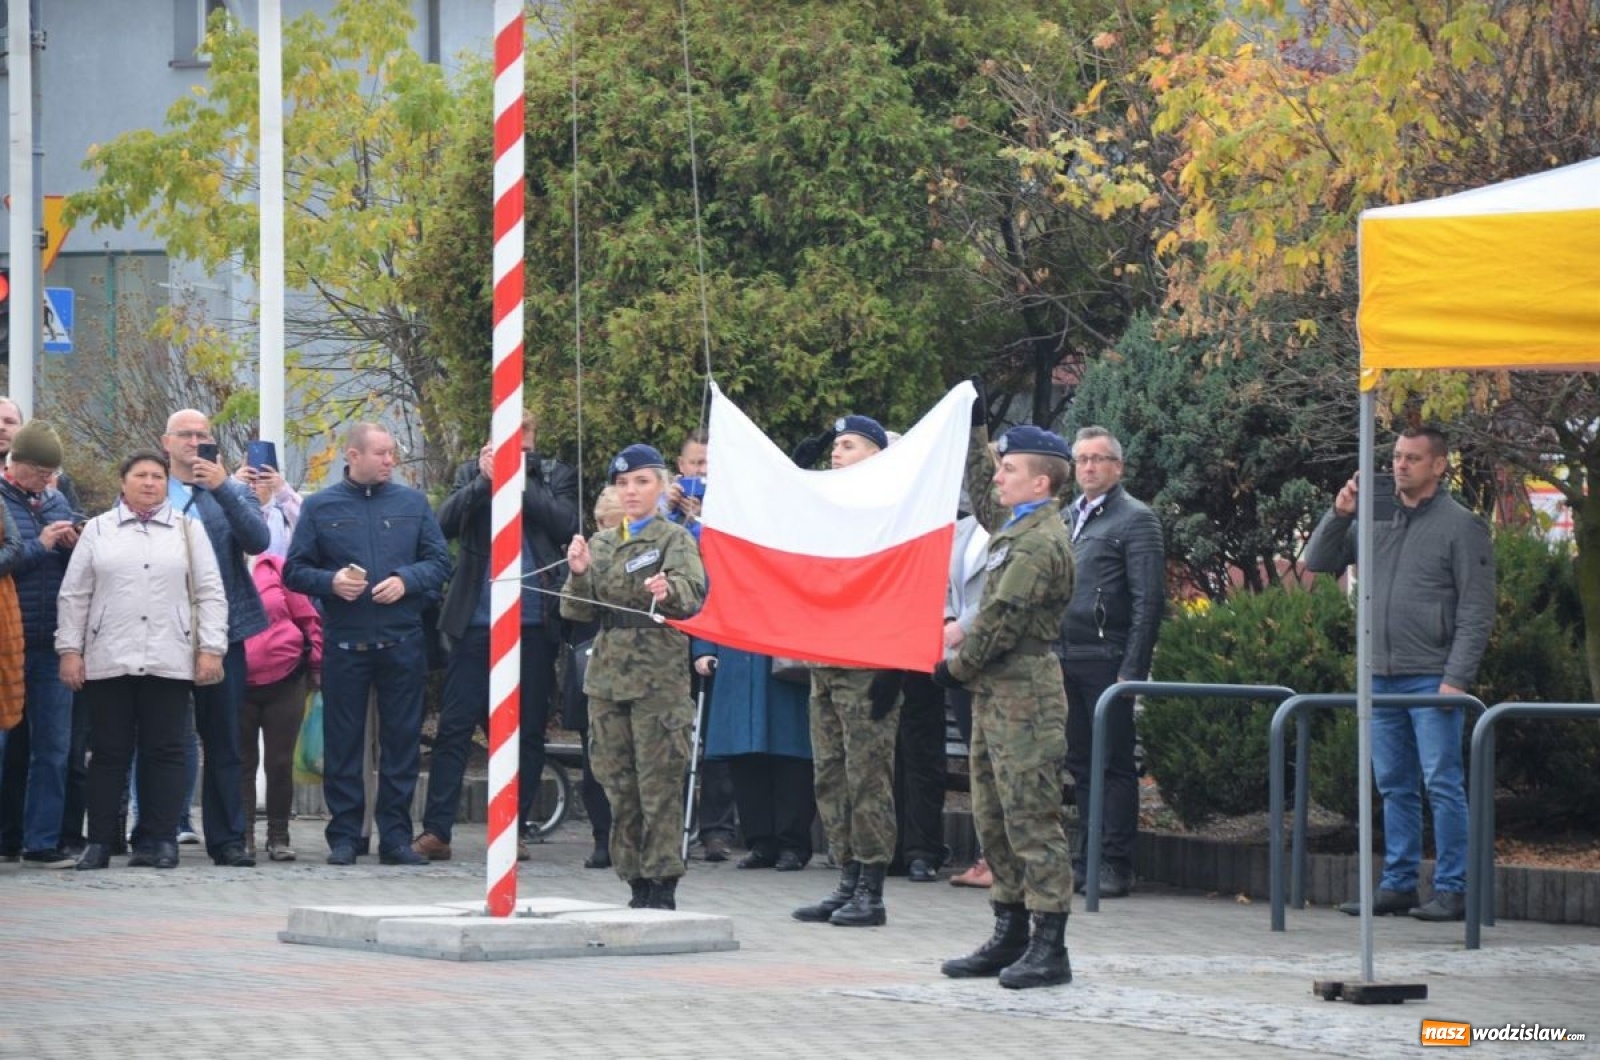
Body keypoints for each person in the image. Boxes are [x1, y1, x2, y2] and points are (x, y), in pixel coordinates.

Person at [1306, 426, 1494, 923]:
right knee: (1393, 784)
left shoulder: (1461, 525)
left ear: (1439, 466)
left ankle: (1454, 887)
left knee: (1442, 783)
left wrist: (1457, 678)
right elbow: (1318, 560)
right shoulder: (1376, 515)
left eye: (1413, 458)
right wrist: (1340, 512)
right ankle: (1398, 883)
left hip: (1432, 677)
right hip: (1380, 674)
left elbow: (1476, 609)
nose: (1400, 465)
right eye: (1395, 457)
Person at [932, 419, 1077, 990]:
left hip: (1025, 693)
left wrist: (955, 669)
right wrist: (975, 427)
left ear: (1040, 484)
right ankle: (1010, 930)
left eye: (1010, 469)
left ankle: (1049, 944)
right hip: (996, 693)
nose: (999, 476)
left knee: (1030, 818)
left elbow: (1001, 620)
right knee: (993, 816)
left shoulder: (1039, 542)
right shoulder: (1016, 528)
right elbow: (979, 479)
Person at [284, 422, 452, 866]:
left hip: (402, 641)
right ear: (353, 456)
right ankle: (345, 837)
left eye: (392, 453)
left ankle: (396, 838)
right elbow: (294, 571)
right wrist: (331, 582)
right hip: (345, 644)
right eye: (380, 453)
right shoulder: (320, 507)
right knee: (343, 744)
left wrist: (406, 580)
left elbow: (440, 562)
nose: (389, 460)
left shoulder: (413, 504)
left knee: (400, 745)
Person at [415, 410, 578, 862]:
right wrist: (486, 483)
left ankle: (514, 827)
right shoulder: (471, 472)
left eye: (524, 442)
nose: (517, 449)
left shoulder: (554, 474)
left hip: (533, 621)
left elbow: (568, 523)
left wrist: (520, 480)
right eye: (510, 443)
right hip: (476, 623)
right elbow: (441, 524)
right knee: (456, 725)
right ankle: (437, 831)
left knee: (525, 732)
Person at [59, 450, 228, 871]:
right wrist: (70, 651)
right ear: (123, 481)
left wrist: (210, 649)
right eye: (140, 475)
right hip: (108, 656)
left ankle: (160, 839)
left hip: (169, 656)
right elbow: (74, 595)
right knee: (109, 752)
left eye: (157, 476)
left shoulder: (188, 531)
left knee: (166, 751)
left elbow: (210, 593)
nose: (149, 483)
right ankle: (99, 842)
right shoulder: (98, 530)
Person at [561, 444, 706, 910]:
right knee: (617, 783)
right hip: (607, 676)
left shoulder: (674, 538)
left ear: (661, 487)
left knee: (659, 783)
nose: (631, 491)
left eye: (641, 482)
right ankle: (633, 877)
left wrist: (668, 590)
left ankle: (662, 881)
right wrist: (579, 573)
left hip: (658, 676)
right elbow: (574, 609)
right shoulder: (601, 542)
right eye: (623, 483)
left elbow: (692, 596)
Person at [791, 415, 905, 929]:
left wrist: (896, 666)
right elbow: (778, 503)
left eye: (850, 445)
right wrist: (802, 458)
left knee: (867, 779)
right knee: (830, 775)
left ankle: (872, 890)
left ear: (878, 454)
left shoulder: (892, 512)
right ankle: (845, 878)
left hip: (868, 665)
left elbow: (906, 585)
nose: (837, 454)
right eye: (834, 446)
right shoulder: (829, 508)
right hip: (825, 660)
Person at [157, 409, 271, 868]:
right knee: (165, 739)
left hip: (224, 633)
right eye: (185, 434)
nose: (195, 441)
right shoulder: (150, 488)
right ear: (166, 443)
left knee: (225, 739)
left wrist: (222, 487)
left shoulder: (232, 491)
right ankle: (160, 835)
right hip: (163, 631)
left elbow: (259, 541)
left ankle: (227, 840)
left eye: (203, 435)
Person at [1058, 426, 1165, 898]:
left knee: (1115, 762)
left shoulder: (1135, 519)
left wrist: (1132, 669)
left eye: (1098, 459)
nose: (1088, 467)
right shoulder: (1066, 518)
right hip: (1065, 653)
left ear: (1117, 467)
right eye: (1081, 459)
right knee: (1081, 762)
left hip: (1107, 657)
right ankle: (1087, 857)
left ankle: (1116, 862)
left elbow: (1149, 598)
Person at [0, 423, 74, 868]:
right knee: (7, 744)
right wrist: (42, 545)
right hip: (10, 640)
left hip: (51, 640)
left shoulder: (56, 499)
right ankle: (6, 836)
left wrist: (70, 545)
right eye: (42, 472)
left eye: (52, 473)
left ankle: (42, 841)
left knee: (53, 747)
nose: (49, 481)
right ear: (18, 466)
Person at [693, 642, 816, 871]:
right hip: (738, 661)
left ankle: (793, 843)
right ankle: (761, 842)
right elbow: (710, 607)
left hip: (783, 656)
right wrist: (704, 649)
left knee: (791, 756)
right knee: (745, 758)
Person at [240, 552, 322, 861]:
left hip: (286, 678)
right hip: (236, 681)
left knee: (279, 762)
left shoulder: (274, 566)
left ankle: (278, 835)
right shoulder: (214, 565)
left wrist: (316, 662)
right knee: (242, 762)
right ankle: (243, 835)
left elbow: (307, 617)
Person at [561, 487, 622, 870]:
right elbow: (569, 610)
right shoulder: (585, 553)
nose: (603, 533)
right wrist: (579, 573)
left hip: (637, 671)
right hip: (591, 666)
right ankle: (602, 837)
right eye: (599, 523)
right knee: (593, 758)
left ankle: (630, 838)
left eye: (611, 525)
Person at [945, 503, 992, 889]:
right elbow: (947, 582)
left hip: (991, 658)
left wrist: (962, 626)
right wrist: (947, 619)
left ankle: (998, 857)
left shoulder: (1018, 529)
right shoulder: (963, 528)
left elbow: (1001, 590)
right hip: (957, 656)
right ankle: (984, 856)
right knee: (978, 760)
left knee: (997, 764)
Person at [235, 462, 303, 558]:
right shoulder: (232, 512)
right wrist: (233, 484)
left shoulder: (284, 515)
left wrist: (282, 490)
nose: (252, 486)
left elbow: (306, 521)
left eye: (258, 481)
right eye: (247, 482)